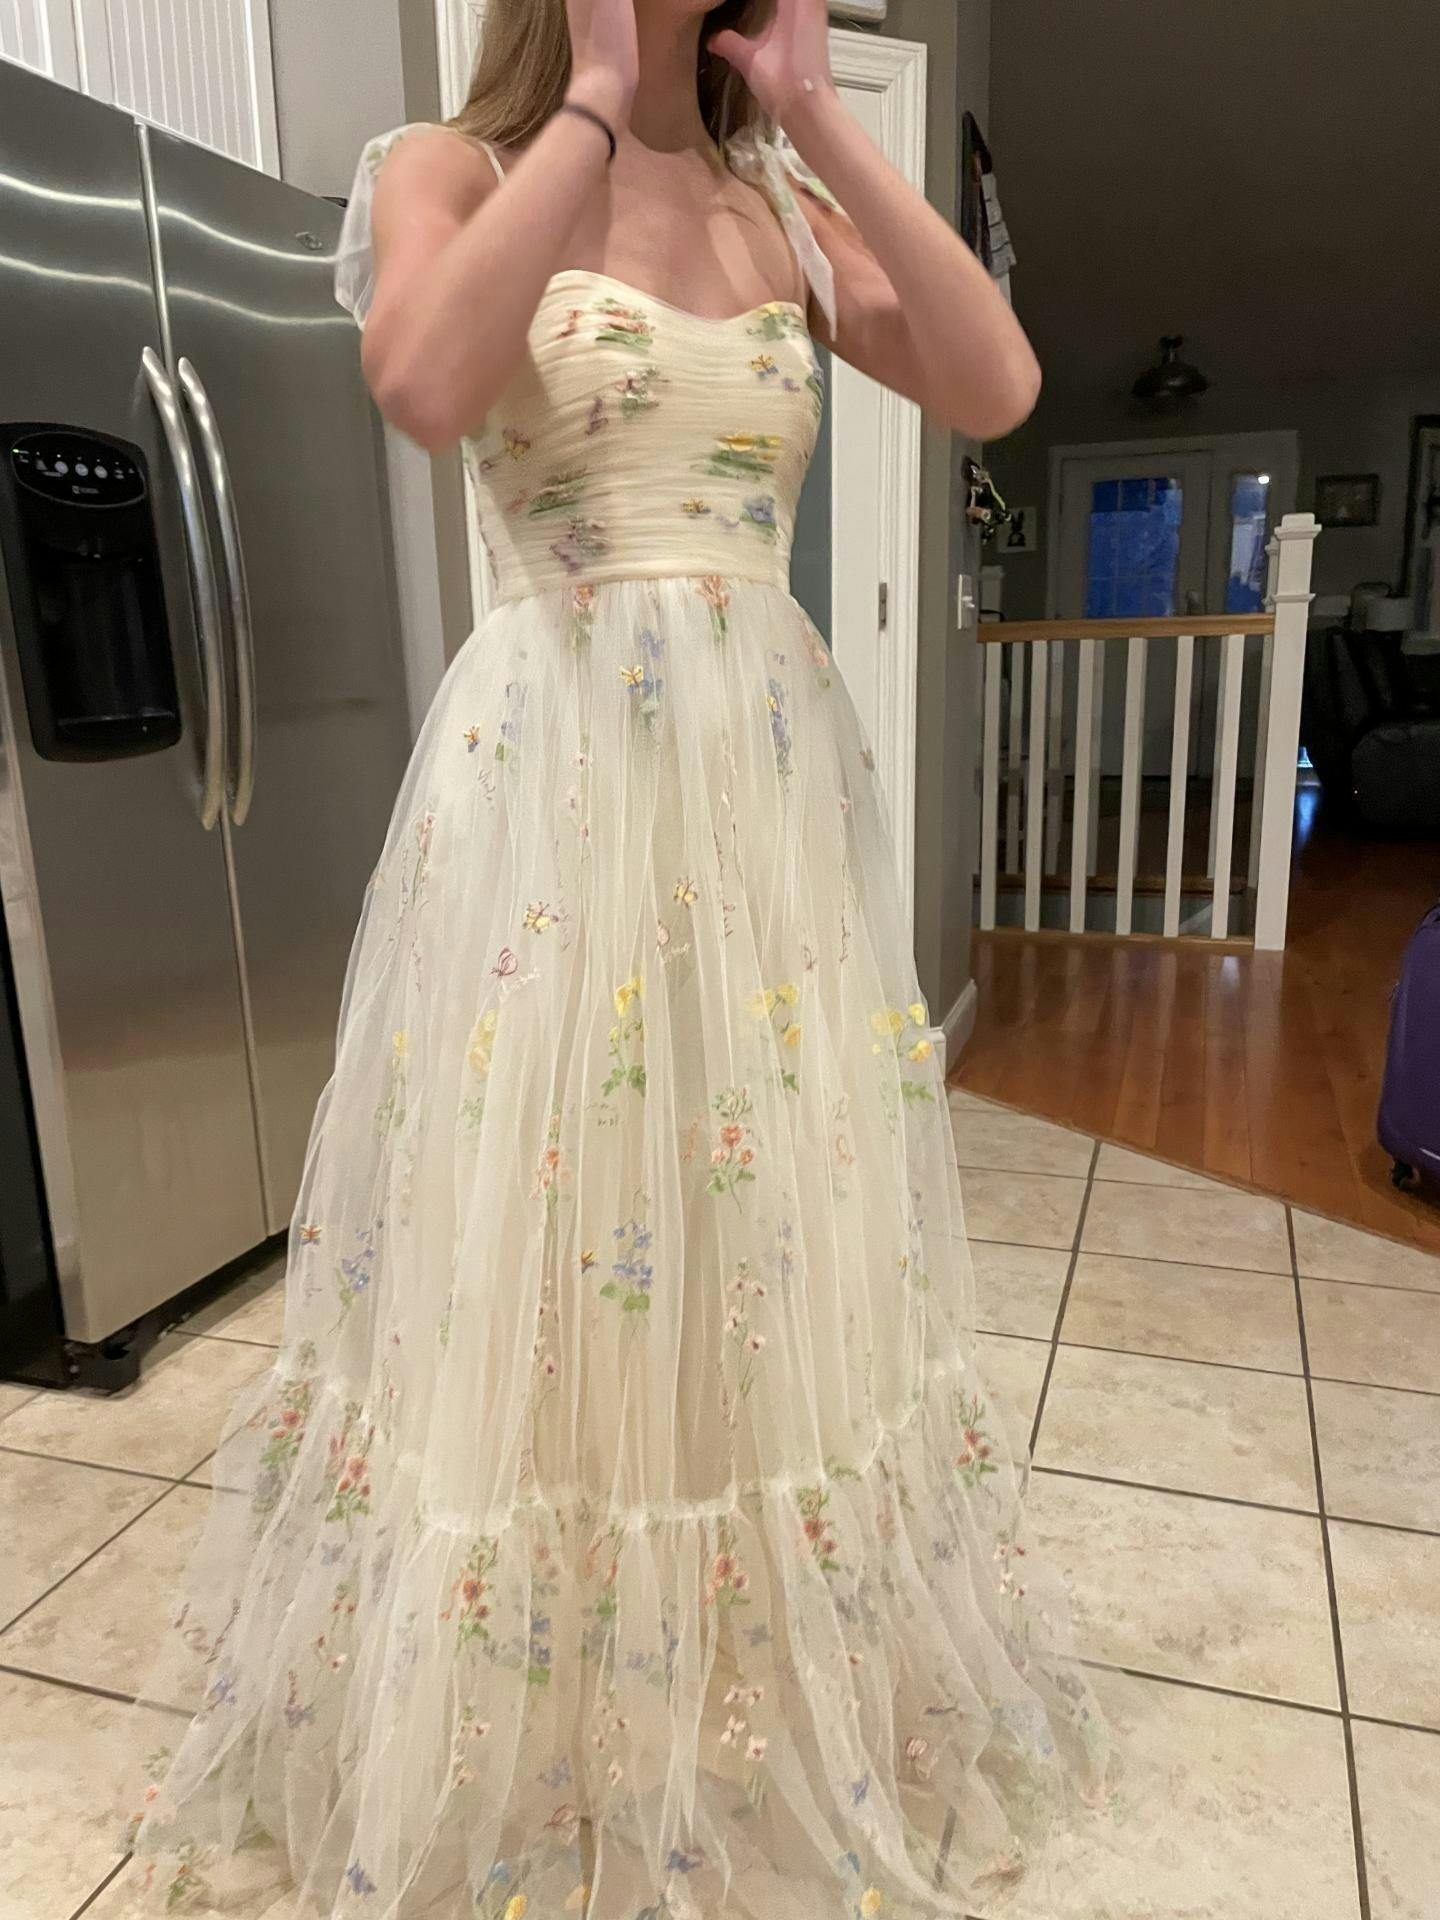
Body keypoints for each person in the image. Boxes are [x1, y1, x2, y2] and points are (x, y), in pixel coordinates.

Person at [122, 3, 1106, 1915]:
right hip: (559, 789)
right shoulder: (454, 168)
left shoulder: (779, 204)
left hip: (759, 803)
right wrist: (584, 104)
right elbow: (422, 379)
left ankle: (737, 1674)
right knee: (559, 1217)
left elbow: (995, 382)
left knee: (753, 1221)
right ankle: (545, 1703)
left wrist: (816, 110)